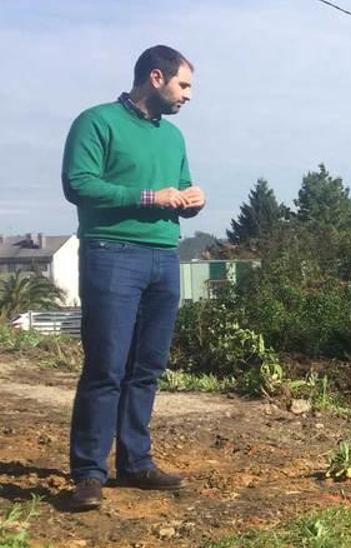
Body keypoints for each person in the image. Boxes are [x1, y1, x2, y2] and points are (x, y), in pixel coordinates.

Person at [61, 45, 204, 511]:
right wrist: (150, 197)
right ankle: (88, 473)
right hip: (111, 253)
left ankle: (136, 462)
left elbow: (177, 189)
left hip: (165, 258)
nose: (188, 96)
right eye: (184, 85)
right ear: (157, 78)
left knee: (147, 366)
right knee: (106, 366)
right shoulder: (96, 121)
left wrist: (191, 199)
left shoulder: (175, 138)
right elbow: (78, 184)